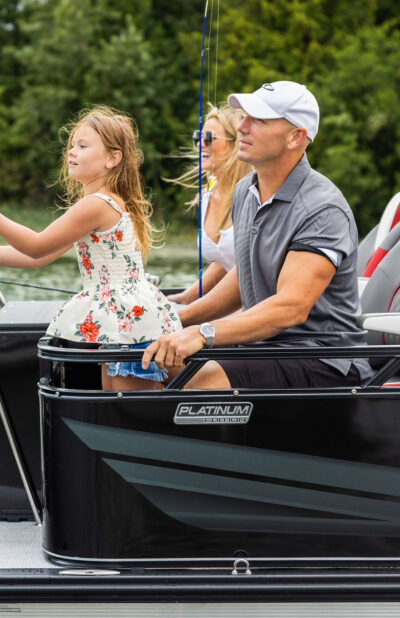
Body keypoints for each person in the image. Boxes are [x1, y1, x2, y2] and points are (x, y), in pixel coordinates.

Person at [141, 81, 372, 389]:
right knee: (138, 362)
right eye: (244, 116)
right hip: (262, 347)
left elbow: (291, 306)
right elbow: (245, 275)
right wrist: (175, 321)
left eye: (259, 120)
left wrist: (202, 333)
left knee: (197, 381)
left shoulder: (323, 208)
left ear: (296, 137)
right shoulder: (245, 190)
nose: (243, 127)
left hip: (323, 359)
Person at [0, 106, 181, 391]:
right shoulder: (102, 202)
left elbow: (36, 246)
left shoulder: (96, 204)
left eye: (83, 146)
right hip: (125, 317)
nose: (72, 152)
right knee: (122, 407)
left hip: (124, 322)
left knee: (128, 413)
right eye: (72, 146)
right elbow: (39, 257)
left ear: (113, 159)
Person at [167, 104, 253, 304]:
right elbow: (225, 262)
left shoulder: (255, 196)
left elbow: (248, 268)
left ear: (236, 143)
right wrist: (184, 298)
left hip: (252, 312)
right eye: (198, 137)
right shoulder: (205, 196)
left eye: (208, 138)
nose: (200, 144)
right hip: (227, 309)